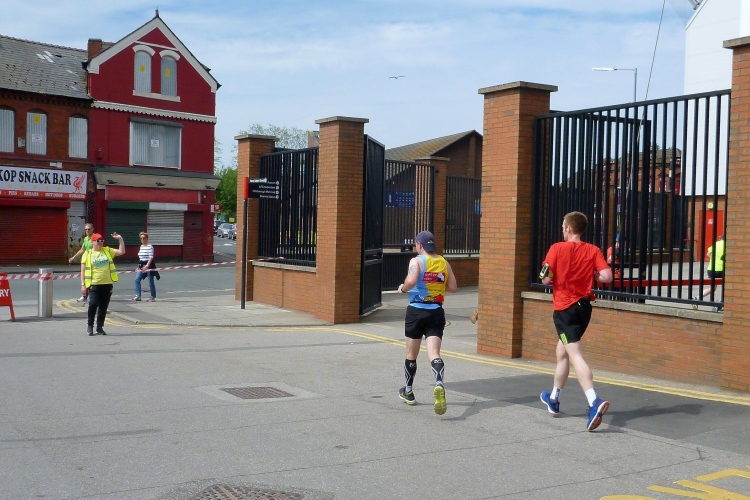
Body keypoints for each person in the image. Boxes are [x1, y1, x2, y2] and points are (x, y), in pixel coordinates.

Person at [539, 211, 613, 431]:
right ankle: (554, 398)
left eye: (563, 226)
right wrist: (593, 275)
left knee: (575, 355)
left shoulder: (556, 249)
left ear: (569, 228)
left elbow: (545, 278)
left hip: (565, 309)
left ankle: (593, 400)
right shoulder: (593, 250)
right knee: (562, 352)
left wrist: (556, 275)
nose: (562, 230)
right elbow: (607, 277)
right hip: (584, 309)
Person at [396, 230, 458, 415]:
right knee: (434, 353)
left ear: (419, 245)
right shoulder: (444, 262)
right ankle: (439, 383)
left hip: (416, 311)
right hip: (436, 312)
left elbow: (412, 280)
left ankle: (408, 391)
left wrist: (403, 288)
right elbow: (453, 287)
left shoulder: (416, 261)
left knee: (411, 354)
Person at [80, 232, 125, 336]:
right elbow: (82, 271)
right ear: (92, 242)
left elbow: (122, 251)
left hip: (107, 283)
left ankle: (99, 327)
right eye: (98, 241)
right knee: (93, 304)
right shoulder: (87, 253)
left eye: (101, 241)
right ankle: (90, 325)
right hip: (94, 283)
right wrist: (83, 284)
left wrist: (120, 239)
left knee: (103, 306)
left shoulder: (107, 250)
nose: (100, 243)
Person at [694, 234, 725, 312]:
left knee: (712, 288)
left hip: (712, 269)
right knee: (727, 288)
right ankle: (720, 304)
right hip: (722, 270)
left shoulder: (716, 244)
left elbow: (708, 254)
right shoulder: (729, 245)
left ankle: (697, 298)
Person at [69, 223, 95, 302]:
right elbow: (82, 250)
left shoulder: (95, 238)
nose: (87, 231)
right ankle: (85, 295)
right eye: (86, 229)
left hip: (93, 261)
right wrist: (73, 258)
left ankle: (91, 295)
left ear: (92, 229)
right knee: (85, 277)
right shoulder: (86, 238)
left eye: (89, 229)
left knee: (92, 278)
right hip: (86, 260)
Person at [133, 232, 157, 302]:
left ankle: (152, 296)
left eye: (144, 238)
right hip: (141, 265)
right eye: (141, 238)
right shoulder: (141, 247)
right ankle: (138, 296)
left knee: (150, 281)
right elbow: (140, 258)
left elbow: (151, 257)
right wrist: (138, 266)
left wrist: (147, 266)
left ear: (147, 239)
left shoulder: (150, 247)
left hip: (149, 266)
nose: (142, 240)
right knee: (137, 279)